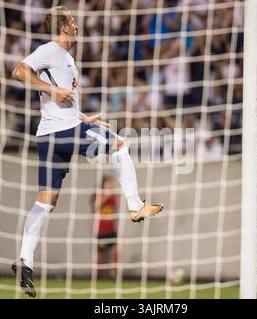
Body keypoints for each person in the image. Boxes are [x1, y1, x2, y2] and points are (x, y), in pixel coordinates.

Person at [10, 6, 164, 297]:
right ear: (64, 26)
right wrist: (51, 90)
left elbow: (59, 101)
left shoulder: (66, 59)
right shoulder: (51, 50)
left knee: (45, 203)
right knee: (119, 145)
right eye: (73, 21)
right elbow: (19, 71)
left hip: (50, 135)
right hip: (64, 132)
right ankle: (134, 206)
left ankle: (25, 261)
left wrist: (83, 117)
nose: (77, 26)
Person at [92, 176, 119, 280]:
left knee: (116, 251)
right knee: (100, 254)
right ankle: (99, 275)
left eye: (111, 185)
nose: (110, 187)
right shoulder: (97, 197)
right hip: (100, 231)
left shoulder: (113, 197)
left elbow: (117, 205)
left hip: (111, 230)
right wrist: (105, 196)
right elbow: (94, 208)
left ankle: (115, 274)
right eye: (108, 184)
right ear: (103, 185)